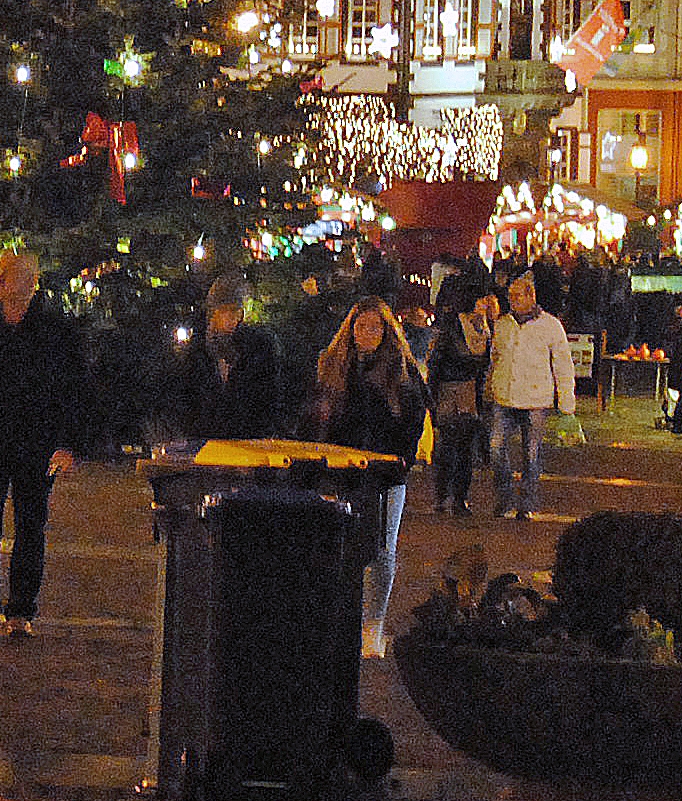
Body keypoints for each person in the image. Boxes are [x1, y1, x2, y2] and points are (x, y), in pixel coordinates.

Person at [0, 249, 86, 639]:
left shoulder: (55, 332)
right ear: (2, 281)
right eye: (20, 275)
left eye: (32, 276)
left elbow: (73, 391)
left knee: (31, 526)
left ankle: (21, 610)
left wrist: (68, 444)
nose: (28, 283)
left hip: (36, 443)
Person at [308, 296, 425, 655]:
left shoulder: (401, 370)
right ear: (351, 329)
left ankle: (373, 627)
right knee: (338, 547)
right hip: (341, 473)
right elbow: (318, 415)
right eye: (362, 326)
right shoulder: (333, 365)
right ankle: (340, 621)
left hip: (385, 474)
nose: (369, 333)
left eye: (376, 327)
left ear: (388, 331)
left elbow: (414, 417)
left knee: (382, 551)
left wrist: (400, 460)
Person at [485, 273, 571, 520]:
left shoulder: (550, 326)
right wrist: (490, 387)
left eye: (517, 296)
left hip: (535, 400)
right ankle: (505, 497)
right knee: (495, 448)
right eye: (510, 296)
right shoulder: (503, 324)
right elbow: (495, 358)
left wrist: (566, 401)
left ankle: (527, 503)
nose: (512, 301)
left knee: (531, 454)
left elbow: (563, 364)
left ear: (531, 296)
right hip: (504, 397)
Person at [176, 281, 284, 443]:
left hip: (246, 440)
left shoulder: (257, 348)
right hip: (207, 440)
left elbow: (268, 396)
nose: (232, 318)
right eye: (226, 310)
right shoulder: (198, 351)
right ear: (213, 313)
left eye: (236, 311)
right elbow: (187, 398)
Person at [425, 289, 493, 516]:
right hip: (449, 393)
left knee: (465, 450)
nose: (485, 304)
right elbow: (436, 364)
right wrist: (432, 399)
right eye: (482, 300)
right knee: (447, 448)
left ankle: (460, 498)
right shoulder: (452, 328)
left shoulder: (484, 329)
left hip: (470, 395)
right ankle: (442, 496)